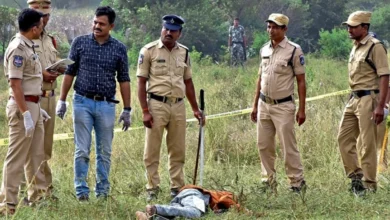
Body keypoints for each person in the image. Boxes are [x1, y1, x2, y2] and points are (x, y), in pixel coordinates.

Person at [55, 6, 132, 201]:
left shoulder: (119, 48)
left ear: (111, 26)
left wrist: (127, 109)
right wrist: (62, 100)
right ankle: (81, 191)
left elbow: (124, 79)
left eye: (102, 24)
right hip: (82, 102)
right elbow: (69, 72)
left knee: (104, 151)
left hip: (106, 105)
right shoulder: (79, 43)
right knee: (82, 149)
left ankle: (103, 193)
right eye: (95, 22)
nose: (97, 26)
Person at [137, 14, 205, 202]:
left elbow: (188, 82)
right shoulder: (149, 50)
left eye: (173, 31)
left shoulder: (184, 52)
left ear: (179, 34)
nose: (168, 32)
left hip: (178, 105)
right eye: (166, 29)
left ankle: (177, 186)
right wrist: (144, 110)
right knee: (152, 149)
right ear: (162, 29)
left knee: (177, 149)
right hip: (156, 104)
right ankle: (152, 187)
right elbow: (141, 83)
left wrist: (195, 109)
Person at [250, 13, 307, 193]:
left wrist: (302, 109)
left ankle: (297, 182)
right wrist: (254, 106)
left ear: (284, 29)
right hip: (264, 104)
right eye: (269, 26)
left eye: (275, 27)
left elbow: (301, 81)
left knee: (287, 145)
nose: (271, 30)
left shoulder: (293, 50)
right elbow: (260, 78)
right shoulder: (264, 49)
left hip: (283, 105)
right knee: (264, 145)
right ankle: (268, 180)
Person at [0, 8, 49, 214]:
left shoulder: (30, 45)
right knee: (17, 155)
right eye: (40, 24)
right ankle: (7, 203)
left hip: (33, 104)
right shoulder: (18, 48)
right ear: (34, 28)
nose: (42, 27)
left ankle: (37, 197)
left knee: (37, 154)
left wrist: (37, 108)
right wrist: (26, 113)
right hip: (23, 106)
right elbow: (15, 84)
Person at [338, 11, 389, 194]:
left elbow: (384, 77)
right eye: (348, 26)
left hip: (370, 99)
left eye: (353, 26)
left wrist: (381, 106)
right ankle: (355, 178)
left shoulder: (375, 47)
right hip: (354, 98)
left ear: (365, 27)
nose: (349, 29)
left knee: (367, 145)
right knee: (344, 139)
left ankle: (369, 185)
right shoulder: (356, 46)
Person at [28, 0, 62, 197]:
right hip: (33, 98)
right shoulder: (24, 39)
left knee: (45, 147)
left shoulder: (50, 40)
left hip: (50, 97)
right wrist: (42, 75)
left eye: (46, 15)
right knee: (32, 149)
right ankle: (34, 193)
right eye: (39, 15)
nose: (43, 20)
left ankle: (46, 189)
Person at [356, 32, 390, 172]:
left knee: (378, 144)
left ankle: (381, 172)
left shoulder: (382, 63)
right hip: (365, 106)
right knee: (361, 142)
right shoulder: (365, 64)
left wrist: (385, 107)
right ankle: (364, 171)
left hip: (378, 107)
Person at [135, 185, 240, 220]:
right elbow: (225, 200)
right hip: (194, 194)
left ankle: (150, 217)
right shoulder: (230, 195)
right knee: (195, 212)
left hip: (183, 197)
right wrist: (242, 209)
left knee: (179, 217)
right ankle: (156, 208)